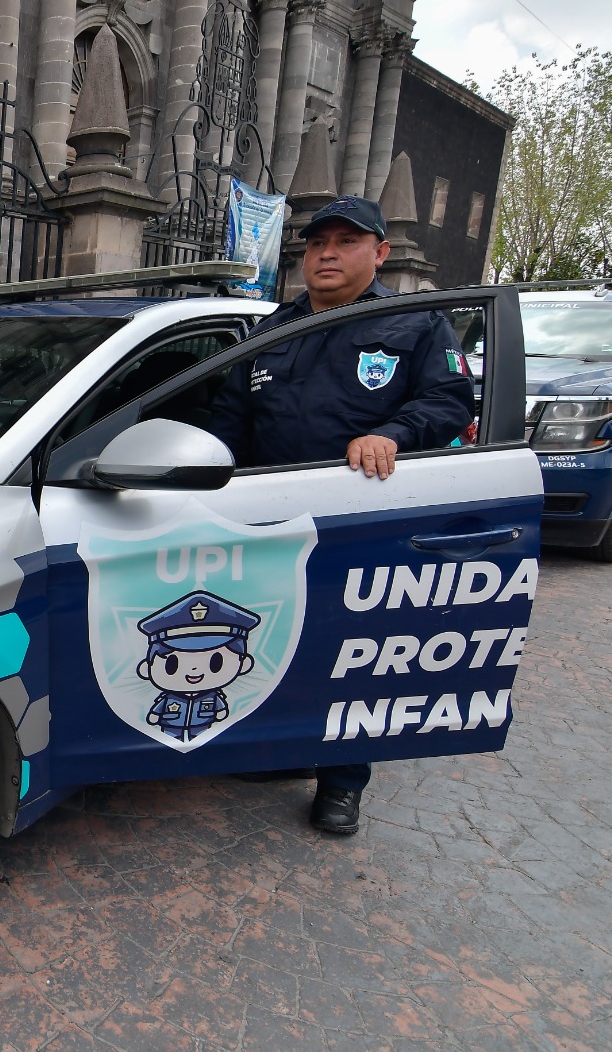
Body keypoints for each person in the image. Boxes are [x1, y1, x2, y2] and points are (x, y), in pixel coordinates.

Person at [208, 194, 474, 835]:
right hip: (268, 520)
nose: (327, 253)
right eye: (317, 243)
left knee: (352, 653)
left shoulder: (415, 324)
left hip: (362, 519)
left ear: (380, 254)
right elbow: (228, 421)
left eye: (347, 242)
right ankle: (284, 751)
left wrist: (395, 433)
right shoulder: (270, 329)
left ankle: (342, 782)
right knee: (278, 640)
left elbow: (450, 401)